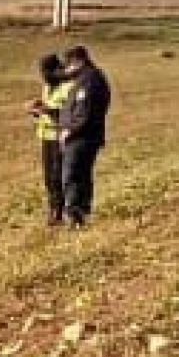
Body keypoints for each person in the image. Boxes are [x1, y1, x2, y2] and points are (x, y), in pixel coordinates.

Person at [54, 45, 111, 227]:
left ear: (78, 61)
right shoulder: (85, 79)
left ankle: (75, 215)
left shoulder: (90, 81)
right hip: (82, 136)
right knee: (81, 175)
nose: (67, 70)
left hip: (82, 137)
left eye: (68, 65)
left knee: (72, 175)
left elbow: (85, 113)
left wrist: (69, 131)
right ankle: (80, 213)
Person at [26, 54, 74, 226]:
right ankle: (53, 209)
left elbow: (69, 114)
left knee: (57, 176)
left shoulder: (68, 87)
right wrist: (36, 111)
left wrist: (47, 110)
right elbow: (47, 108)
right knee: (48, 177)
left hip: (60, 137)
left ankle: (61, 212)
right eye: (42, 73)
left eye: (46, 72)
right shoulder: (47, 86)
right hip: (46, 136)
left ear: (57, 70)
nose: (44, 76)